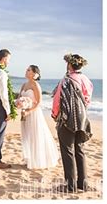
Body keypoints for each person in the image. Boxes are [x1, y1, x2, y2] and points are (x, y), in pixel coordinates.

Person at [52, 53, 93, 192]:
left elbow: (57, 99)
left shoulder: (65, 80)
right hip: (82, 119)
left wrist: (54, 114)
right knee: (80, 150)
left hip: (66, 120)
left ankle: (70, 186)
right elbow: (87, 99)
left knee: (68, 151)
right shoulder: (86, 79)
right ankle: (83, 183)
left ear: (69, 64)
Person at [16, 65, 59, 169]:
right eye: (26, 69)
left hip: (34, 114)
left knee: (35, 135)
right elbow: (18, 98)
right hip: (24, 113)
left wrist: (29, 111)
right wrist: (19, 104)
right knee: (27, 136)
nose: (26, 71)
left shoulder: (35, 85)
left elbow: (39, 102)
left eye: (29, 70)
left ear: (34, 74)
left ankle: (38, 160)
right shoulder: (24, 85)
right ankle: (30, 158)